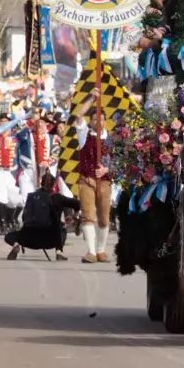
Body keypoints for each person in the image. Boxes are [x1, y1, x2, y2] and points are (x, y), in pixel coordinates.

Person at [6, 171, 79, 260]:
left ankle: (16, 244)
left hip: (28, 239)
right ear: (54, 184)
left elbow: (24, 217)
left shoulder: (32, 197)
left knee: (9, 236)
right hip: (51, 240)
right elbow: (77, 204)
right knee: (62, 229)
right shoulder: (58, 198)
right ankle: (59, 251)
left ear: (41, 183)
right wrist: (75, 214)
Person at [74, 104, 113, 264]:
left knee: (104, 219)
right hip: (87, 180)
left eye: (101, 119)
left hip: (104, 182)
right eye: (96, 119)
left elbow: (118, 160)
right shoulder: (84, 134)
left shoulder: (111, 139)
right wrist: (92, 98)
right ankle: (91, 252)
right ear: (91, 121)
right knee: (88, 216)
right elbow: (79, 115)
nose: (99, 122)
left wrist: (106, 169)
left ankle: (101, 250)